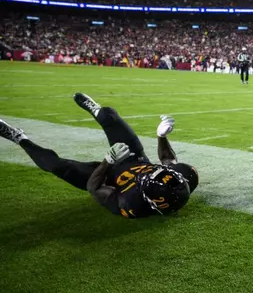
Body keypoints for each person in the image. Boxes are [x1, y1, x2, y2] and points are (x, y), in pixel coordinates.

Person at [0, 93, 198, 218]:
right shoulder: (179, 182)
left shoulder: (130, 204)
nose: (147, 175)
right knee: (111, 116)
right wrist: (161, 136)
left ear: (145, 196)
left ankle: (19, 137)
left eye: (145, 179)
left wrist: (107, 162)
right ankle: (98, 111)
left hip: (103, 175)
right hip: (132, 158)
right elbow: (168, 160)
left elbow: (93, 189)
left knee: (56, 166)